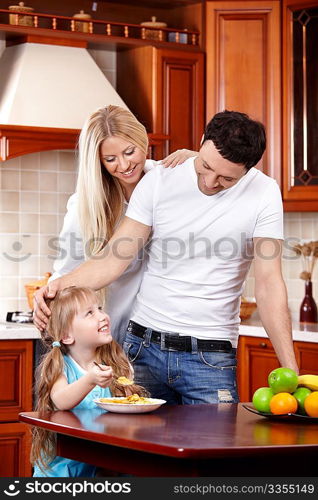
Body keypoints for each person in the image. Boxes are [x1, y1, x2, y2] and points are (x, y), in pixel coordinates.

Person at [34, 110, 299, 405]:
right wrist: (54, 287)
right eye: (205, 166)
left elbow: (268, 284)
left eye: (226, 178)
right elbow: (113, 261)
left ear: (248, 170)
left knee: (215, 449)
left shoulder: (264, 193)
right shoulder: (160, 179)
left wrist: (291, 369)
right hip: (142, 349)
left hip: (210, 359)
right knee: (136, 451)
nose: (210, 182)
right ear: (201, 142)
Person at [40, 105, 196, 345]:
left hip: (167, 336)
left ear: (142, 140)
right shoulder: (85, 205)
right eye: (110, 159)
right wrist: (48, 298)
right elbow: (66, 272)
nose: (123, 165)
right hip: (110, 336)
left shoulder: (169, 179)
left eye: (129, 151)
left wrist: (198, 161)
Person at [31, 286, 147, 477]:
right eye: (90, 313)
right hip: (60, 470)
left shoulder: (114, 364)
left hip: (95, 464)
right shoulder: (61, 367)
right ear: (67, 336)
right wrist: (90, 379)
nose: (102, 316)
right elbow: (60, 400)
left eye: (100, 308)